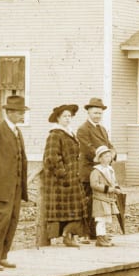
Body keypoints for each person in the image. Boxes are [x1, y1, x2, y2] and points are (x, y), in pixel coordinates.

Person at [0, 95, 29, 271]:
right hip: (1, 185)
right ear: (9, 112)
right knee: (1, 220)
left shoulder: (17, 131)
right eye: (18, 112)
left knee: (13, 220)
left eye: (22, 112)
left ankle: (3, 255)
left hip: (16, 186)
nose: (21, 116)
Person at [41, 103, 86, 247]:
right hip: (60, 181)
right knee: (64, 210)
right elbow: (52, 157)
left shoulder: (69, 132)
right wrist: (63, 174)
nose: (67, 119)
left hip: (72, 178)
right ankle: (61, 237)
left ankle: (69, 235)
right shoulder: (55, 134)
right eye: (64, 116)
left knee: (76, 208)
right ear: (58, 118)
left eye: (69, 116)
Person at [77, 97, 115, 240]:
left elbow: (109, 145)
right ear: (88, 113)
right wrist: (105, 156)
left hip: (102, 171)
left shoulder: (102, 129)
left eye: (100, 113)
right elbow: (88, 150)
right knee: (88, 202)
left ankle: (97, 233)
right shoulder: (83, 129)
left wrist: (112, 153)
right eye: (95, 113)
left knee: (99, 203)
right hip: (89, 171)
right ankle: (84, 233)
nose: (97, 116)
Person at [89, 146, 122, 245]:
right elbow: (94, 184)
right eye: (106, 156)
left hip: (107, 199)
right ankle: (99, 238)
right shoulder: (96, 171)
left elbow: (114, 181)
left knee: (105, 218)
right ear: (100, 158)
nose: (109, 158)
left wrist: (117, 188)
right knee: (100, 219)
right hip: (100, 199)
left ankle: (103, 236)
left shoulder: (110, 170)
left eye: (109, 156)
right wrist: (108, 189)